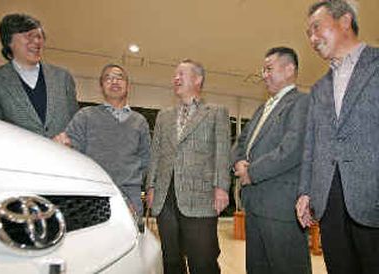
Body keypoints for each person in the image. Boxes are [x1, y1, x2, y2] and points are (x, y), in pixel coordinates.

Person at [296, 1, 379, 273]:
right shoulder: (319, 88)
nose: (312, 38)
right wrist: (306, 192)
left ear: (345, 21)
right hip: (329, 204)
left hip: (372, 198)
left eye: (316, 28)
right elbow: (311, 145)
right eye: (308, 33)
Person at [146, 59, 230, 274]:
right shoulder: (164, 116)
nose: (176, 78)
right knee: (171, 259)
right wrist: (151, 187)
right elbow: (156, 153)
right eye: (175, 75)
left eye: (181, 74)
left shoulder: (216, 112)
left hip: (200, 196)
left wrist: (221, 187)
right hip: (165, 198)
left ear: (198, 79)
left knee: (203, 261)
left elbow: (222, 152)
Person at [232, 47, 311, 274]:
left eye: (269, 69)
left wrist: (251, 172)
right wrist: (238, 162)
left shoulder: (302, 102)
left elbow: (292, 149)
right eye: (263, 70)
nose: (264, 74)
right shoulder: (262, 108)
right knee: (257, 268)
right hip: (255, 203)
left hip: (281, 206)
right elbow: (241, 141)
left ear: (289, 70)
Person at [54, 64, 150, 216]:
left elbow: (145, 161)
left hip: (131, 199)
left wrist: (131, 186)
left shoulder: (140, 122)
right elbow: (72, 153)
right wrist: (62, 146)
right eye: (108, 78)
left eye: (119, 78)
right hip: (91, 197)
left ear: (127, 85)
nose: (114, 81)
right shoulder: (85, 116)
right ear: (101, 86)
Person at [0, 13, 78, 138]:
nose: (36, 41)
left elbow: (76, 127)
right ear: (9, 41)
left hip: (62, 156)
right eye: (29, 36)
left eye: (39, 36)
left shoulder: (63, 78)